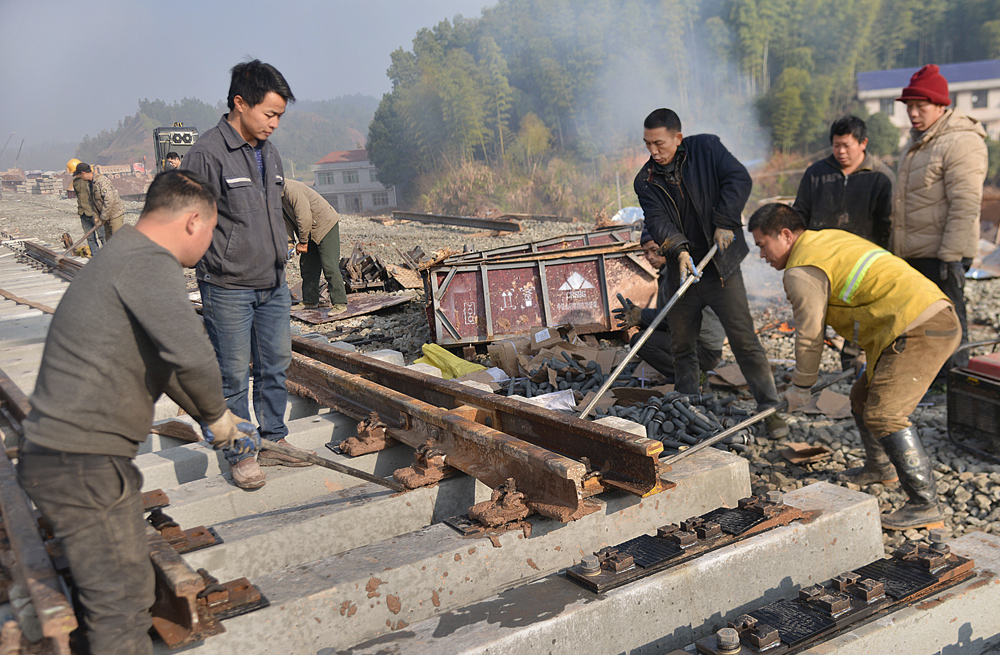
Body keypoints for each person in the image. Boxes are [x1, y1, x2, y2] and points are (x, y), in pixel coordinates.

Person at [17, 170, 261, 655]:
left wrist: (220, 423)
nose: (208, 245)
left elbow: (169, 367)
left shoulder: (123, 254)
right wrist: (217, 416)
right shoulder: (149, 264)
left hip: (77, 460)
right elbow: (191, 354)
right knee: (121, 604)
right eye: (211, 232)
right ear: (193, 221)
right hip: (81, 463)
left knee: (128, 589)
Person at [749, 203, 960, 530]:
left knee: (885, 414)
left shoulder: (801, 269)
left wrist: (801, 387)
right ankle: (880, 468)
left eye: (762, 245)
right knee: (861, 399)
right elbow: (866, 292)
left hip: (919, 327)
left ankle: (924, 503)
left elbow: (810, 334)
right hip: (910, 321)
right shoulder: (825, 241)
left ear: (786, 235)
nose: (762, 255)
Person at [181, 59, 313, 490]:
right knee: (233, 375)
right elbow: (188, 220)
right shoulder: (206, 154)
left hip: (273, 284)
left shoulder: (268, 152)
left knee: (276, 367)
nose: (275, 123)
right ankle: (240, 453)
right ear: (240, 103)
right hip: (228, 287)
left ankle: (274, 439)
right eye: (269, 114)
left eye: (279, 116)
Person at [634, 107, 787, 438]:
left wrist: (725, 220)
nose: (653, 152)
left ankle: (771, 411)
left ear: (677, 137)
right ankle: (689, 408)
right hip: (682, 269)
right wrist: (679, 249)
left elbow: (738, 179)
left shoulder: (707, 149)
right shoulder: (645, 180)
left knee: (745, 340)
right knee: (682, 345)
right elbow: (657, 221)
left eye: (659, 143)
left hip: (721, 267)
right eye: (647, 144)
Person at [890, 64, 988, 374]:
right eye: (910, 107)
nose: (914, 113)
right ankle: (929, 377)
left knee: (948, 320)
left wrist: (951, 256)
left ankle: (956, 379)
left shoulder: (961, 141)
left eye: (921, 106)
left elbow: (966, 203)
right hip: (916, 250)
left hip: (942, 251)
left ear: (941, 105)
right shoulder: (919, 142)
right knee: (922, 320)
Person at [793, 115, 895, 371]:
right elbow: (800, 214)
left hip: (861, 261)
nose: (840, 152)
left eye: (846, 145)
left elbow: (888, 222)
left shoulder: (880, 177)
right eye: (836, 145)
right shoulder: (817, 173)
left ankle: (852, 366)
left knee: (858, 314)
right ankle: (806, 369)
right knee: (814, 315)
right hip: (819, 258)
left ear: (863, 143)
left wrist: (885, 258)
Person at [614, 227, 725, 382]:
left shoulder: (681, 274)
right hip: (692, 340)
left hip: (704, 349)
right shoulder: (667, 275)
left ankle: (692, 378)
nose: (650, 257)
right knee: (646, 332)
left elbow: (676, 317)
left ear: (667, 248)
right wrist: (641, 316)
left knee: (640, 341)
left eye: (654, 250)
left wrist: (642, 316)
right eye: (645, 253)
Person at [282, 178, 348, 316]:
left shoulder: (293, 190)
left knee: (329, 265)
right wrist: (290, 242)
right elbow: (284, 220)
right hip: (308, 229)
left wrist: (303, 242)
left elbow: (304, 217)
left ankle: (340, 303)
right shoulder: (276, 196)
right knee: (307, 266)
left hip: (325, 224)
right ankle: (310, 301)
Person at [78, 163, 125, 243]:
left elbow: (109, 199)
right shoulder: (89, 184)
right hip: (105, 217)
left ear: (83, 173)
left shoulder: (101, 181)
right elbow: (92, 202)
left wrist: (103, 217)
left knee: (118, 240)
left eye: (80, 176)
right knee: (110, 242)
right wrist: (96, 217)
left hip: (115, 215)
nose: (80, 178)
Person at [68, 159, 102, 254]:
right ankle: (96, 258)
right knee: (90, 238)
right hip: (83, 213)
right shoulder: (75, 182)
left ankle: (109, 258)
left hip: (95, 213)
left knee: (102, 236)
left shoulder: (91, 180)